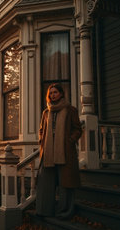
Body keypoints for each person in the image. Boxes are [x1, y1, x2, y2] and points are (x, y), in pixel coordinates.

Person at [36, 83, 82, 218]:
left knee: (65, 183)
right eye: (51, 93)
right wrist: (42, 142)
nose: (53, 95)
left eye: (55, 92)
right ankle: (44, 210)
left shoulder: (70, 110)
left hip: (65, 152)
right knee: (45, 182)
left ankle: (64, 211)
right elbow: (41, 130)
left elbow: (78, 129)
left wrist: (70, 140)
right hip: (49, 152)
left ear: (61, 93)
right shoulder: (46, 112)